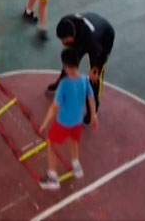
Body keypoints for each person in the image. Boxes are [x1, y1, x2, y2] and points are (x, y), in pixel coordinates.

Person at [39, 48, 98, 190]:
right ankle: (76, 166)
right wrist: (94, 115)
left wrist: (45, 123)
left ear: (65, 65)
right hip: (77, 123)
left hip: (63, 123)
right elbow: (91, 98)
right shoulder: (84, 80)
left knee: (51, 143)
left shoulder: (64, 85)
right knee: (74, 142)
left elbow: (54, 107)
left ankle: (52, 177)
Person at [52, 13, 115, 124]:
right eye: (62, 40)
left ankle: (93, 109)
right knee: (70, 61)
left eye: (65, 40)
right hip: (86, 32)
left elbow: (101, 54)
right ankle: (60, 83)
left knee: (94, 78)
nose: (63, 43)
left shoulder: (91, 39)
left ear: (72, 35)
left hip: (103, 40)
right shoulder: (66, 22)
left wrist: (96, 69)